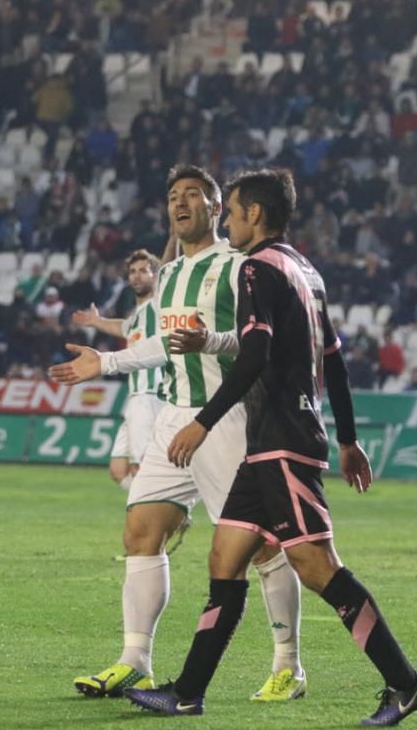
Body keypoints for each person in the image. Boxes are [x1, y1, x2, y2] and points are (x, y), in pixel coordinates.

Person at [124, 168, 417, 727]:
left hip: (282, 440)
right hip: (277, 441)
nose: (231, 222)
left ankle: (406, 683)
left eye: (234, 211)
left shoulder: (256, 270)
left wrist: (204, 422)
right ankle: (187, 692)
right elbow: (333, 359)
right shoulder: (305, 271)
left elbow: (255, 352)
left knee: (317, 567)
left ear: (253, 215)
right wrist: (347, 439)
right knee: (226, 556)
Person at [50, 165, 307, 702]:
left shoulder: (241, 265)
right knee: (141, 532)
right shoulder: (166, 277)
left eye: (194, 194)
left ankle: (289, 666)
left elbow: (262, 339)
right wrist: (109, 362)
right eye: (173, 195)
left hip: (226, 418)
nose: (181, 202)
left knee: (259, 547)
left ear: (219, 208)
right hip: (173, 416)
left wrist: (211, 340)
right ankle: (134, 661)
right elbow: (164, 345)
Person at [72, 250, 168, 495]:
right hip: (134, 397)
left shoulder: (160, 306)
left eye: (143, 271)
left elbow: (168, 266)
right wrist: (97, 321)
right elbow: (123, 328)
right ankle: (166, 510)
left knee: (142, 469)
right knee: (118, 470)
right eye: (132, 272)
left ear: (156, 276)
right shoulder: (137, 316)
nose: (136, 277)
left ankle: (159, 516)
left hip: (150, 396)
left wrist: (172, 237)